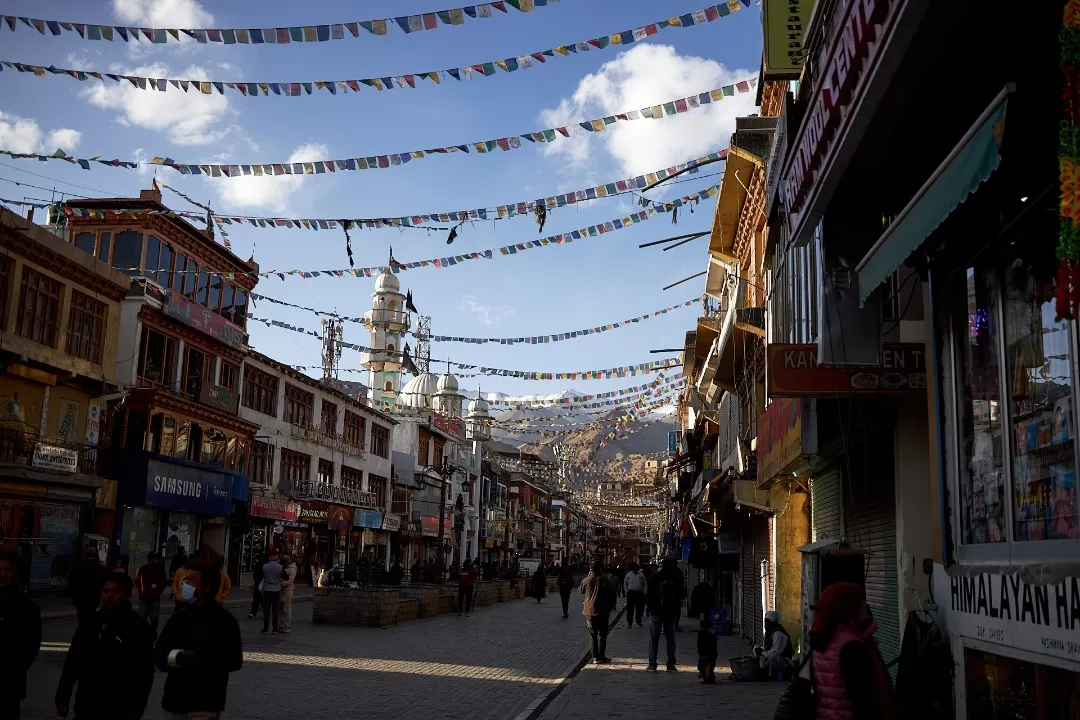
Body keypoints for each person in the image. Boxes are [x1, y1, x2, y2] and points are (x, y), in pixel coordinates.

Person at [55, 572, 155, 720]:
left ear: (126, 594)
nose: (109, 595)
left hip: (119, 707)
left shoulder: (138, 627)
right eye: (106, 591)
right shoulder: (90, 623)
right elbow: (73, 661)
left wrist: (135, 709)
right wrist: (63, 695)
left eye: (115, 591)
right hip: (87, 704)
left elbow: (143, 673)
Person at [154, 565, 243, 720]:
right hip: (175, 702)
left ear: (206, 588)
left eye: (191, 582)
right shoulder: (179, 618)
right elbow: (160, 654)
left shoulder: (225, 623)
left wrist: (202, 659)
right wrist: (178, 658)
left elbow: (235, 661)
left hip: (205, 705)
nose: (185, 585)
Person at [810, 581, 897, 720]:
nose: (866, 607)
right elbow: (864, 703)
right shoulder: (853, 647)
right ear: (850, 609)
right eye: (861, 603)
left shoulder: (824, 640)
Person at [0, 551, 41, 720]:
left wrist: (11, 669)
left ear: (17, 574)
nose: (3, 575)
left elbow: (31, 646)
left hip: (8, 684)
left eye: (8, 570)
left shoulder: (27, 608)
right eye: (0, 570)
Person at [645, 557, 684, 672]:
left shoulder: (655, 576)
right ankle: (671, 665)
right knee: (670, 639)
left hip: (656, 611)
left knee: (654, 639)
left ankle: (652, 664)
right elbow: (680, 594)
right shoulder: (677, 576)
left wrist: (649, 608)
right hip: (670, 611)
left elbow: (649, 593)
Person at [579, 563, 615, 664]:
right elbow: (612, 593)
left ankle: (595, 657)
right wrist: (610, 607)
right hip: (603, 611)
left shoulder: (586, 580)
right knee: (603, 635)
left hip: (590, 611)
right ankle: (602, 655)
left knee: (593, 635)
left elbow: (580, 590)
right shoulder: (605, 580)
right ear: (600, 569)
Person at [68, 545, 105, 628]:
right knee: (90, 616)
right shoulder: (100, 568)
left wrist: (73, 595)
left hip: (80, 598)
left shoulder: (78, 567)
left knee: (81, 617)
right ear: (96, 555)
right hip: (93, 598)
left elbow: (71, 582)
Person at [134, 551, 167, 632]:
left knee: (154, 617)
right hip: (143, 598)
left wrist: (158, 592)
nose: (158, 561)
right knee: (142, 617)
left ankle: (152, 632)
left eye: (158, 559)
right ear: (150, 559)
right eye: (155, 559)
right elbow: (136, 581)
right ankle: (143, 633)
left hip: (155, 598)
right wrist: (139, 591)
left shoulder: (161, 571)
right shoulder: (142, 570)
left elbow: (163, 583)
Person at [756, 610, 794, 680]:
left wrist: (762, 652)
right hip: (771, 657)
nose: (765, 625)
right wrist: (760, 650)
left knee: (772, 656)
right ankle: (762, 671)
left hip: (784, 661)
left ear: (773, 623)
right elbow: (767, 647)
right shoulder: (769, 632)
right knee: (756, 649)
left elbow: (775, 652)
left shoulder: (778, 633)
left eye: (768, 623)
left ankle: (770, 675)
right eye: (765, 622)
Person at [259, 552, 284, 635]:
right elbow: (286, 576)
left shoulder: (264, 566)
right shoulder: (280, 567)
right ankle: (275, 629)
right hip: (276, 590)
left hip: (266, 590)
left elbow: (260, 576)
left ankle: (265, 628)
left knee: (266, 610)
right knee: (275, 610)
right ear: (277, 558)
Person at [623, 563, 647, 628]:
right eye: (634, 568)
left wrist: (644, 591)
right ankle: (629, 623)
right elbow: (625, 583)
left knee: (639, 608)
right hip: (631, 593)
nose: (635, 569)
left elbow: (644, 583)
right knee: (630, 608)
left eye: (636, 568)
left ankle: (638, 621)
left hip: (639, 593)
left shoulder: (641, 575)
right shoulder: (628, 575)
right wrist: (626, 591)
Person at [278, 555, 297, 633]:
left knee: (286, 608)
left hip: (288, 590)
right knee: (280, 608)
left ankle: (287, 625)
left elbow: (290, 581)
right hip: (281, 590)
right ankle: (280, 625)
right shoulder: (283, 568)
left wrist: (281, 583)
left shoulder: (292, 569)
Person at [247, 555, 264, 620]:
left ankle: (253, 613)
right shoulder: (264, 566)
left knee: (256, 600)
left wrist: (256, 581)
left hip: (259, 584)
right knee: (261, 600)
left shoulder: (258, 566)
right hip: (262, 585)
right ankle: (254, 613)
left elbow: (254, 575)